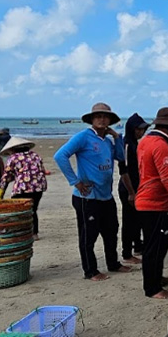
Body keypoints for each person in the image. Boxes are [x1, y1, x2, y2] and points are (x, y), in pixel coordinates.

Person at [53, 102, 135, 282]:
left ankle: (113, 263)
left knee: (111, 230)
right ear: (92, 119)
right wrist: (75, 181)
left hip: (106, 195)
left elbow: (121, 158)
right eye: (98, 116)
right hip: (87, 197)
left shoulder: (107, 140)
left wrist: (117, 137)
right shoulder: (83, 137)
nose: (102, 119)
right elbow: (60, 156)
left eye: (105, 116)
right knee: (88, 235)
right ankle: (90, 271)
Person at [135, 107, 168, 300]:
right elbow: (167, 178)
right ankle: (153, 288)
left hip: (147, 201)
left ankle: (155, 278)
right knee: (156, 247)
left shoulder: (145, 141)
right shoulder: (160, 145)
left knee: (153, 245)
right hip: (154, 204)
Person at [0, 137, 48, 239]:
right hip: (38, 187)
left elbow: (6, 177)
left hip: (23, 188)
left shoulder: (13, 158)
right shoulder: (35, 155)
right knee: (32, 210)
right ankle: (34, 233)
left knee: (17, 210)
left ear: (12, 149)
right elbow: (41, 170)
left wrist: (0, 194)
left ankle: (19, 232)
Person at [118, 113, 150, 264]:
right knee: (129, 221)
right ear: (132, 129)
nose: (141, 133)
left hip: (137, 187)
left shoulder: (136, 144)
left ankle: (138, 246)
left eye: (143, 130)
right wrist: (131, 192)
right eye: (139, 129)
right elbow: (123, 170)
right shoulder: (126, 145)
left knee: (138, 219)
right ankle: (126, 253)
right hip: (128, 188)